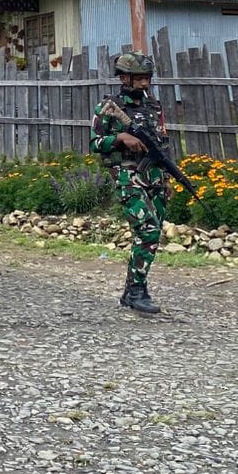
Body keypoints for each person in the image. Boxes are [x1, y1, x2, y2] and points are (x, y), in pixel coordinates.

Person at [91, 52, 170, 316]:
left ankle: (131, 290)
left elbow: (162, 144)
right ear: (124, 77)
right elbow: (95, 143)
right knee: (147, 230)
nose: (144, 83)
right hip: (127, 175)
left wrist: (167, 178)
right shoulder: (109, 107)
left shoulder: (154, 107)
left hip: (155, 176)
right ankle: (137, 292)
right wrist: (121, 138)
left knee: (152, 233)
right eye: (139, 78)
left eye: (147, 78)